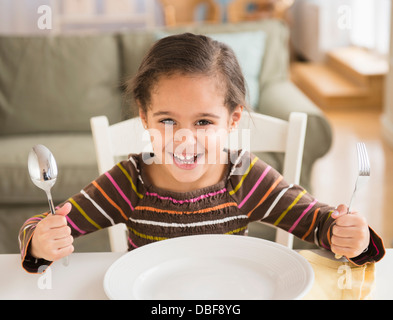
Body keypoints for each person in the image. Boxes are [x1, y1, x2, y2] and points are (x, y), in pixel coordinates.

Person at [19, 33, 384, 273]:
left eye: (204, 122)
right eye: (166, 120)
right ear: (144, 118)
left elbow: (319, 224)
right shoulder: (129, 182)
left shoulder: (245, 177)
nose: (184, 139)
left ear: (232, 120)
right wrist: (39, 242)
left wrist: (350, 236)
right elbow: (46, 227)